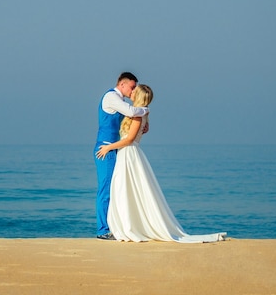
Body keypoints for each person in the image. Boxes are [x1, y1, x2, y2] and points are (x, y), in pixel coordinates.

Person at [96, 84, 227, 243]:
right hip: (126, 154)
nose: (131, 93)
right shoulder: (139, 113)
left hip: (128, 154)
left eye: (134, 92)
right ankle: (124, 226)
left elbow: (129, 140)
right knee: (124, 191)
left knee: (124, 190)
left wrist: (109, 147)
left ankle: (127, 227)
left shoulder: (137, 115)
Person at [94, 72, 149, 240]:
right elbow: (132, 112)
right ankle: (103, 230)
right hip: (105, 149)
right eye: (132, 87)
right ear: (122, 84)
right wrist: (146, 109)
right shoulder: (111, 97)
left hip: (115, 149)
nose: (133, 91)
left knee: (115, 189)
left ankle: (113, 227)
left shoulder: (120, 101)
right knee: (105, 190)